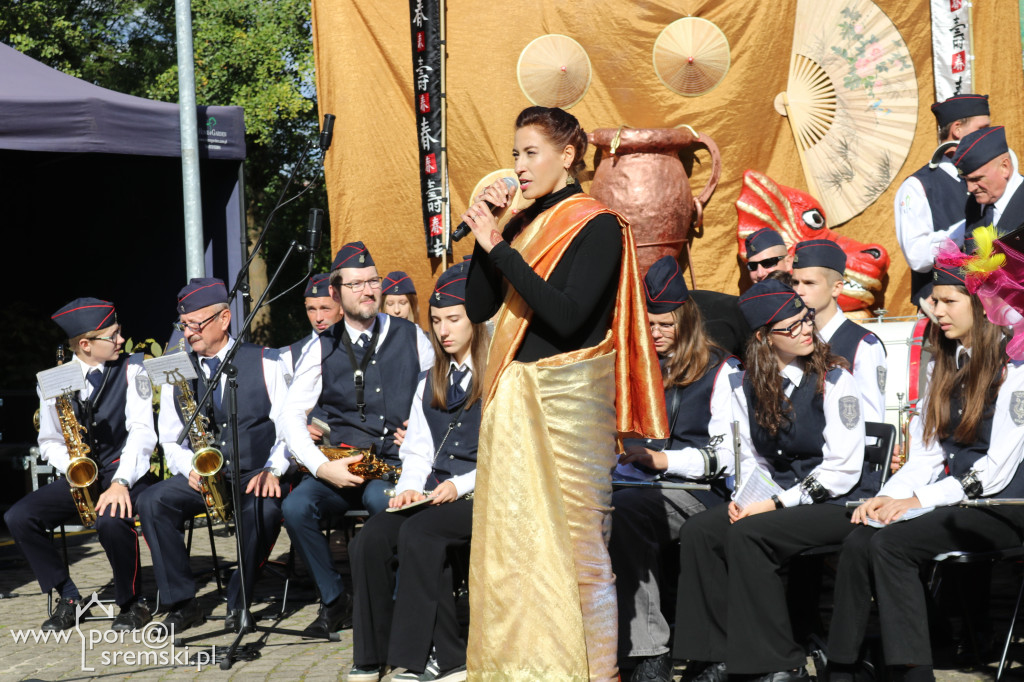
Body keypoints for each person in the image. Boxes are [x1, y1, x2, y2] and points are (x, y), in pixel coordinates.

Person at [461, 105, 666, 681]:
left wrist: (500, 248)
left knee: (580, 554)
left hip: (570, 402)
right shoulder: (523, 224)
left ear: (567, 155)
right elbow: (478, 308)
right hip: (514, 399)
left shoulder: (598, 223)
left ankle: (597, 673)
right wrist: (488, 240)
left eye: (530, 153)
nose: (519, 168)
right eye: (515, 155)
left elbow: (568, 316)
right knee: (515, 553)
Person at [825, 263, 1024, 682]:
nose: (937, 311)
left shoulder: (1015, 367)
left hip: (1005, 503)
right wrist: (887, 497)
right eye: (934, 301)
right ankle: (843, 666)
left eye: (950, 301)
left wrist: (916, 502)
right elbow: (926, 457)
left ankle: (913, 672)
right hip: (958, 499)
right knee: (861, 537)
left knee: (892, 545)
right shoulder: (944, 364)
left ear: (984, 307)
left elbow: (996, 469)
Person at [673, 279, 870, 682]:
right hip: (779, 499)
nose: (805, 330)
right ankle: (714, 654)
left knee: (750, 534)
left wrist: (775, 504)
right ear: (764, 338)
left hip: (836, 502)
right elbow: (751, 456)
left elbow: (843, 469)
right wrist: (748, 497)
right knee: (701, 531)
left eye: (806, 320)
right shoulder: (746, 386)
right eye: (792, 326)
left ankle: (781, 660)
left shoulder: (834, 380)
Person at [278, 241, 433, 638]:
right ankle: (335, 600)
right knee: (296, 506)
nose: (368, 291)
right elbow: (291, 415)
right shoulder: (319, 346)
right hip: (343, 462)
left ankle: (397, 606)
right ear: (336, 293)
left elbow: (440, 392)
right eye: (357, 284)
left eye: (373, 281)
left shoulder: (411, 335)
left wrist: (419, 428)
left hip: (393, 466)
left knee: (380, 500)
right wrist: (320, 466)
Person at [347, 260, 485, 682]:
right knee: (370, 539)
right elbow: (420, 451)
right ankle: (372, 655)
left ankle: (441, 658)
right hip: (434, 490)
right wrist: (408, 488)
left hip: (484, 492)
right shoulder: (432, 378)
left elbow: (507, 454)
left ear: (475, 322)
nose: (444, 330)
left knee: (421, 534)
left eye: (454, 320)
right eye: (438, 320)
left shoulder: (501, 376)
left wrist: (457, 485)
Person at [611, 256, 740, 682]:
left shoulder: (722, 369)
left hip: (701, 492)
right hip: (637, 486)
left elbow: (726, 456)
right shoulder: (633, 369)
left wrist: (664, 460)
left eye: (665, 325)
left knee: (628, 511)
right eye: (648, 325)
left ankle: (650, 652)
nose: (655, 334)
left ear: (686, 321)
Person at [137, 278, 289, 634]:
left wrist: (274, 469)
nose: (189, 333)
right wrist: (189, 467)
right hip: (204, 474)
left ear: (224, 319)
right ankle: (182, 602)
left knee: (264, 510)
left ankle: (239, 600)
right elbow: (170, 437)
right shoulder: (176, 367)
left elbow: (288, 428)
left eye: (197, 324)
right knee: (152, 502)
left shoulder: (268, 361)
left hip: (256, 472)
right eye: (184, 325)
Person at [6, 298, 157, 632]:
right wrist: (74, 467)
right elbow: (48, 441)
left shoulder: (135, 369)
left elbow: (143, 432)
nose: (121, 340)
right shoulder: (54, 379)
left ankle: (133, 602)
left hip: (125, 471)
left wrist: (120, 481)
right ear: (86, 345)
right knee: (19, 516)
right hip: (83, 475)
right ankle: (68, 596)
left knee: (111, 520)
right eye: (113, 335)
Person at [894, 94, 990, 306]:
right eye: (982, 129)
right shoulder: (917, 186)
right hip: (942, 313)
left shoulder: (994, 178)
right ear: (957, 129)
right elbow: (917, 256)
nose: (988, 136)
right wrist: (969, 228)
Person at [791, 239, 887, 422]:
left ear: (836, 288)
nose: (799, 291)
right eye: (795, 282)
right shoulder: (791, 338)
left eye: (809, 283)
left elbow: (871, 421)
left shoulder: (863, 345)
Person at [953, 126, 1024, 248]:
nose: (970, 188)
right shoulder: (975, 205)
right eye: (966, 180)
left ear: (1004, 167)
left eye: (976, 179)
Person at [279, 273, 342, 387]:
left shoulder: (359, 347)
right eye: (311, 309)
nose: (318, 318)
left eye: (325, 309)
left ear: (342, 307)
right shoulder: (290, 356)